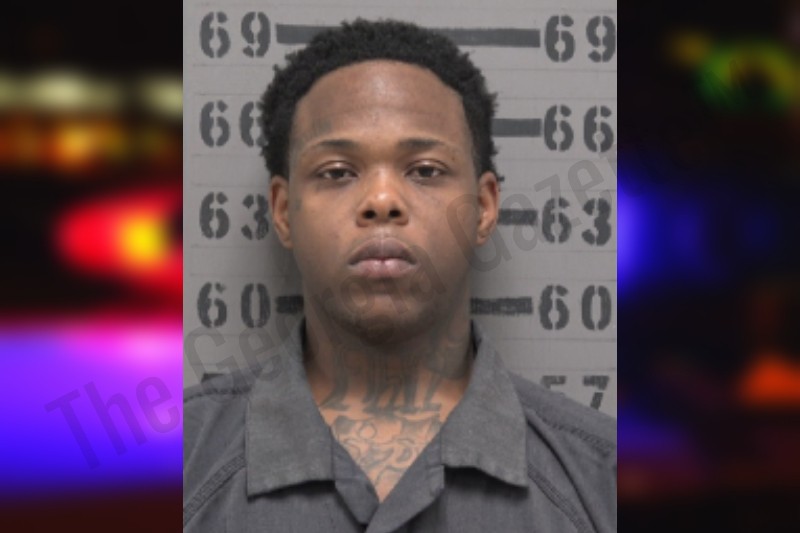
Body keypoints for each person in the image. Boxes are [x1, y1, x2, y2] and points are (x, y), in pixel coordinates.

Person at [184, 18, 616, 532]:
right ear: (282, 211)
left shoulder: (602, 482)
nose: (382, 200)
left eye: (426, 170)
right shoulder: (179, 466)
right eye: (337, 172)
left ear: (483, 208)